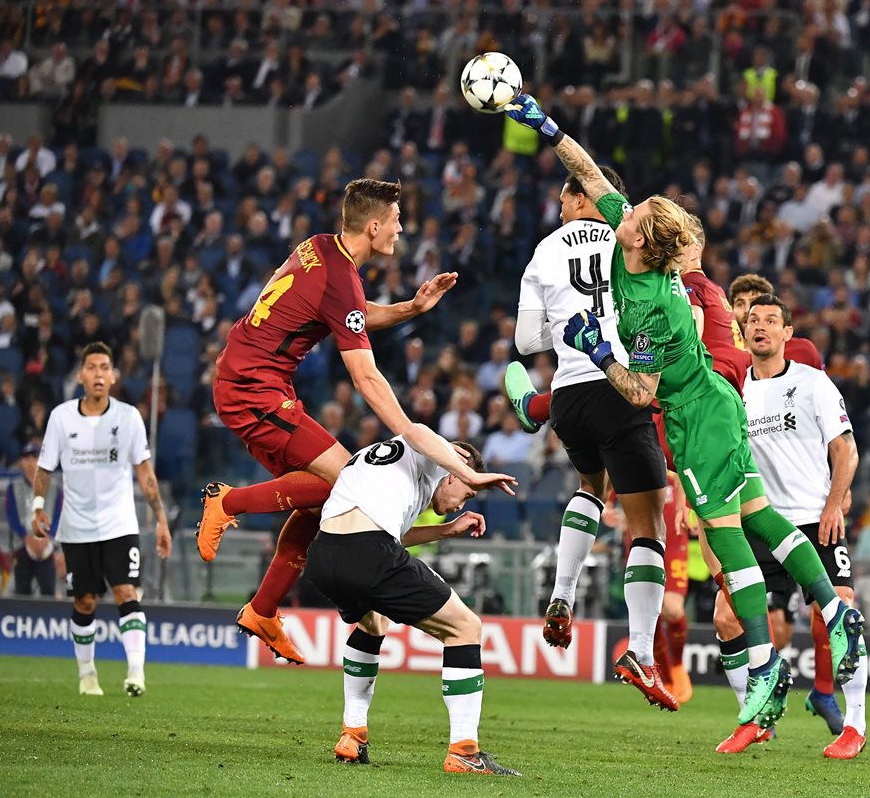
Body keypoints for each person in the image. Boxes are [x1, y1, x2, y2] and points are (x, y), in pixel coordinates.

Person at [503, 92, 863, 735]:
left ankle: (763, 670)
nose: (623, 208)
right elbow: (589, 175)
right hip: (716, 407)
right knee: (762, 517)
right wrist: (544, 123)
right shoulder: (637, 245)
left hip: (698, 419)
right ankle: (837, 616)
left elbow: (639, 393)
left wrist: (596, 350)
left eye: (632, 211)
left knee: (726, 538)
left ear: (639, 237)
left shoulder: (649, 308)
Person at [196, 179, 516, 664]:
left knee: (320, 498)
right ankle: (228, 501)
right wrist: (409, 429)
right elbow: (365, 377)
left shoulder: (320, 249)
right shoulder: (341, 276)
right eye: (396, 221)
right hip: (251, 387)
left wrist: (411, 307)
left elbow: (350, 314)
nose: (401, 229)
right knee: (348, 480)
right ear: (373, 226)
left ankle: (262, 610)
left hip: (257, 380)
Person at [503, 166, 675, 710]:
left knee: (589, 486)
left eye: (565, 190)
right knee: (649, 522)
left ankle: (560, 595)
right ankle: (642, 652)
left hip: (569, 393)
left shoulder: (545, 250)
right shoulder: (630, 240)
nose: (559, 198)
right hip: (619, 384)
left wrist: (566, 323)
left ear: (584, 194)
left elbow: (526, 340)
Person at [307, 439, 519, 776]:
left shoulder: (392, 463)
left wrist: (446, 530)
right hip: (369, 552)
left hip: (323, 554)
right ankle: (465, 751)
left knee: (374, 622)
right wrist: (468, 467)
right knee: (465, 627)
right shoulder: (430, 451)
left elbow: (391, 533)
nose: (460, 504)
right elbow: (424, 435)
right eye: (467, 493)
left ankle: (353, 734)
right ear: (453, 471)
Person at [724, 294, 867, 759]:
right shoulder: (733, 392)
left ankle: (855, 726)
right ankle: (756, 717)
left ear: (788, 333)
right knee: (726, 617)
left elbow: (846, 450)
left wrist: (833, 504)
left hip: (812, 519)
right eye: (752, 320)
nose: (760, 326)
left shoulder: (813, 382)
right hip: (760, 522)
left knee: (840, 612)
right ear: (742, 333)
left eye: (771, 320)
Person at [31, 342, 172, 697]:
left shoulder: (128, 418)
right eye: (91, 367)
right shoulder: (61, 417)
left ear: (113, 376)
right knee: (86, 601)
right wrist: (37, 507)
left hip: (119, 524)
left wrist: (161, 520)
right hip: (76, 527)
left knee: (127, 592)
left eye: (104, 367)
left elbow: (144, 472)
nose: (98, 374)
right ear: (80, 376)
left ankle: (136, 673)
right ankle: (87, 674)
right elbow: (45, 469)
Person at [728, 273, 824, 368]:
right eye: (740, 304)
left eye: (754, 303)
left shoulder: (803, 351)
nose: (747, 310)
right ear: (730, 309)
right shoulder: (725, 356)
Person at [5, 441, 63, 596]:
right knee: (21, 590)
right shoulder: (14, 487)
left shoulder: (54, 487)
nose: (30, 463)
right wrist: (26, 537)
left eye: (34, 458)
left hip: (47, 545)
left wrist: (48, 536)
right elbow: (11, 516)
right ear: (22, 462)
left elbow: (59, 514)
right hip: (22, 545)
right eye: (27, 458)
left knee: (48, 590)